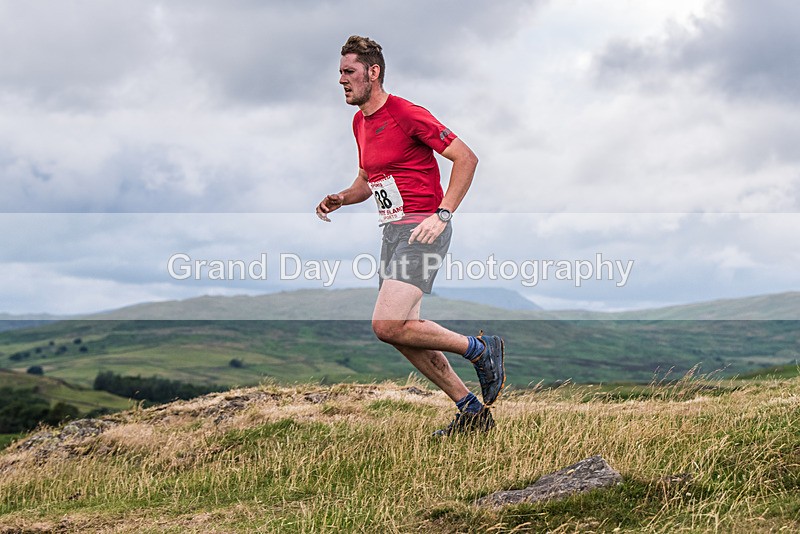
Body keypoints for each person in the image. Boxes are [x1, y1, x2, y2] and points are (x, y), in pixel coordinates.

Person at [316, 35, 505, 436]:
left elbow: (466, 158)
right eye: (339, 73)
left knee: (386, 324)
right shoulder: (359, 122)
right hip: (393, 231)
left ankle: (480, 349)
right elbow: (369, 179)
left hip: (423, 228)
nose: (341, 81)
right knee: (403, 334)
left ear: (373, 72)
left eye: (348, 72)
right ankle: (471, 411)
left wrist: (443, 213)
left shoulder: (406, 113)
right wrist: (343, 197)